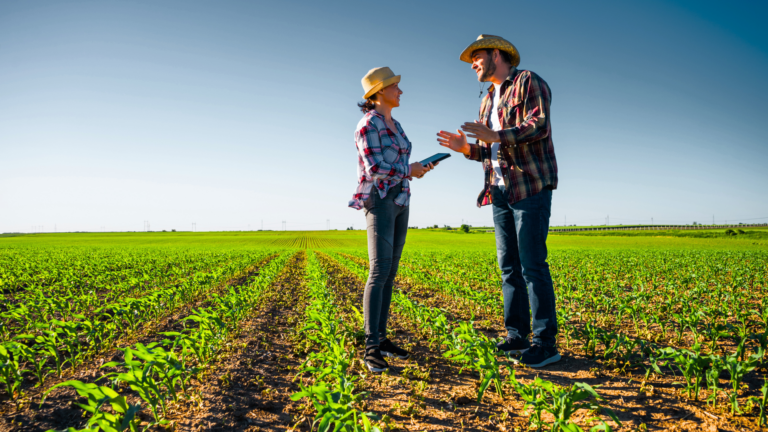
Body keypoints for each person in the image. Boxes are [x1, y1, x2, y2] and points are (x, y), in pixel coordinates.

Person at [437, 35, 561, 368]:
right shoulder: (487, 100)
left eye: (476, 58)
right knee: (508, 266)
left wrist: (497, 136)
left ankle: (545, 342)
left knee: (532, 264)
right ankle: (516, 336)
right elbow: (491, 150)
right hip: (499, 189)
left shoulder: (527, 81)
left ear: (496, 54)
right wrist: (467, 149)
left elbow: (539, 125)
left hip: (529, 185)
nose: (473, 64)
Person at [350, 67, 435, 373]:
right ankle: (371, 347)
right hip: (380, 199)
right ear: (380, 92)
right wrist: (408, 170)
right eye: (395, 87)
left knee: (390, 272)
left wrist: (417, 169)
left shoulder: (395, 124)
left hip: (400, 199)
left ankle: (382, 339)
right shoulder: (368, 124)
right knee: (379, 270)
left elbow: (398, 163)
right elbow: (374, 168)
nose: (400, 91)